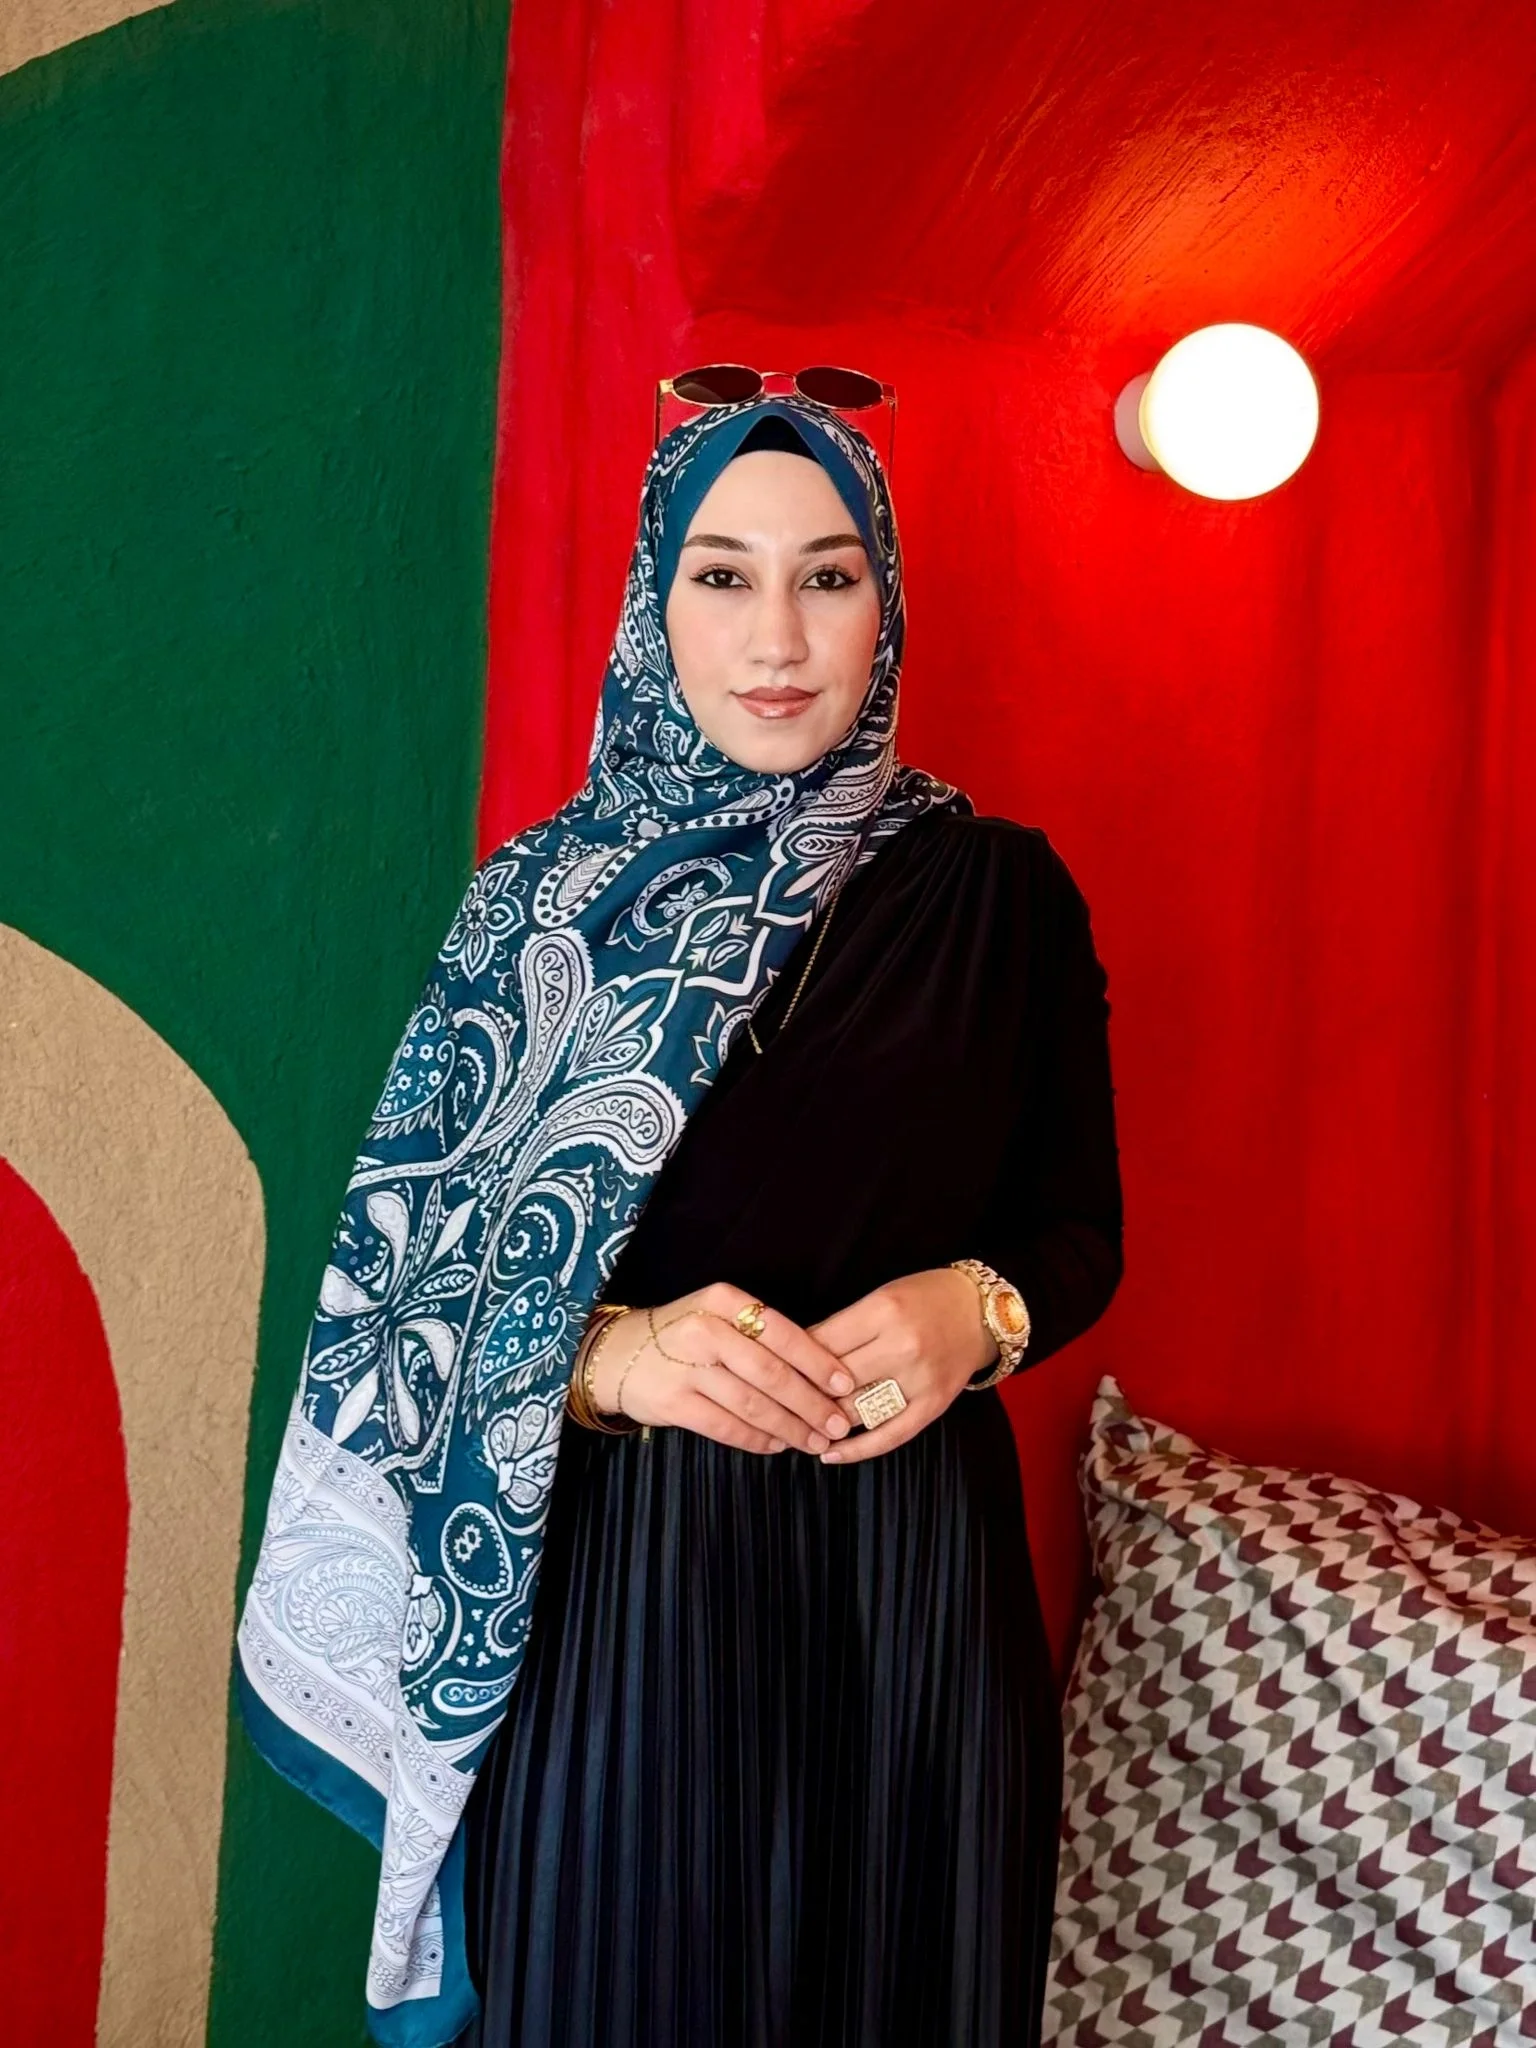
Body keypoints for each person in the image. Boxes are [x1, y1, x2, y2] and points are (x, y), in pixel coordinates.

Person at [235, 390, 1122, 2048]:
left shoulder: (997, 895)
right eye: (723, 577)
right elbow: (402, 1291)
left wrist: (981, 1313)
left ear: (885, 605)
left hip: (914, 1600)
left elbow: (1079, 1228)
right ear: (658, 605)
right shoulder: (537, 906)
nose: (777, 638)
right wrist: (614, 1358)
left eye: (827, 577)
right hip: (622, 1597)